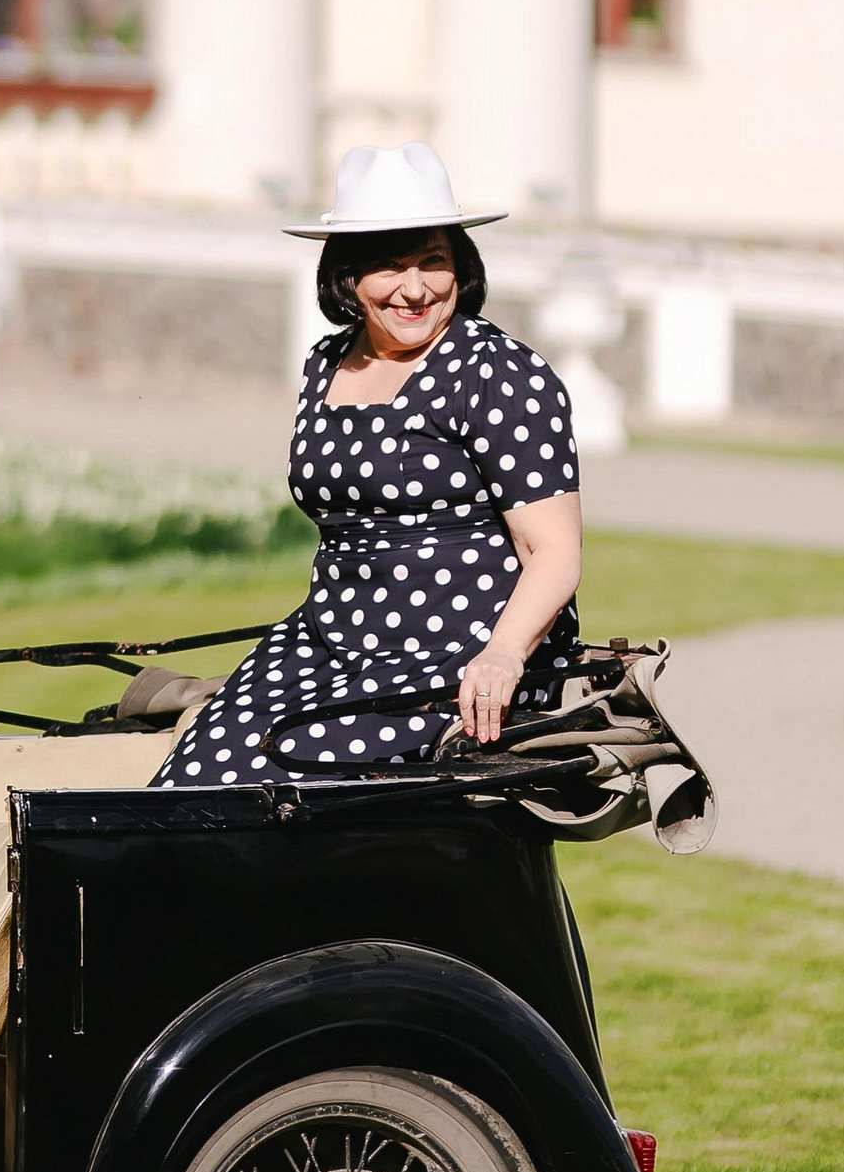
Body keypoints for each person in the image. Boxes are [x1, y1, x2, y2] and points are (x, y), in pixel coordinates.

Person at [153, 141, 583, 790]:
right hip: (326, 643)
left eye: (433, 262)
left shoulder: (497, 372)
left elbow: (554, 549)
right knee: (192, 786)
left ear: (460, 267)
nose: (415, 289)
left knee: (293, 789)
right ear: (347, 276)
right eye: (388, 267)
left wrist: (502, 654)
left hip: (458, 653)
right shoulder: (327, 363)